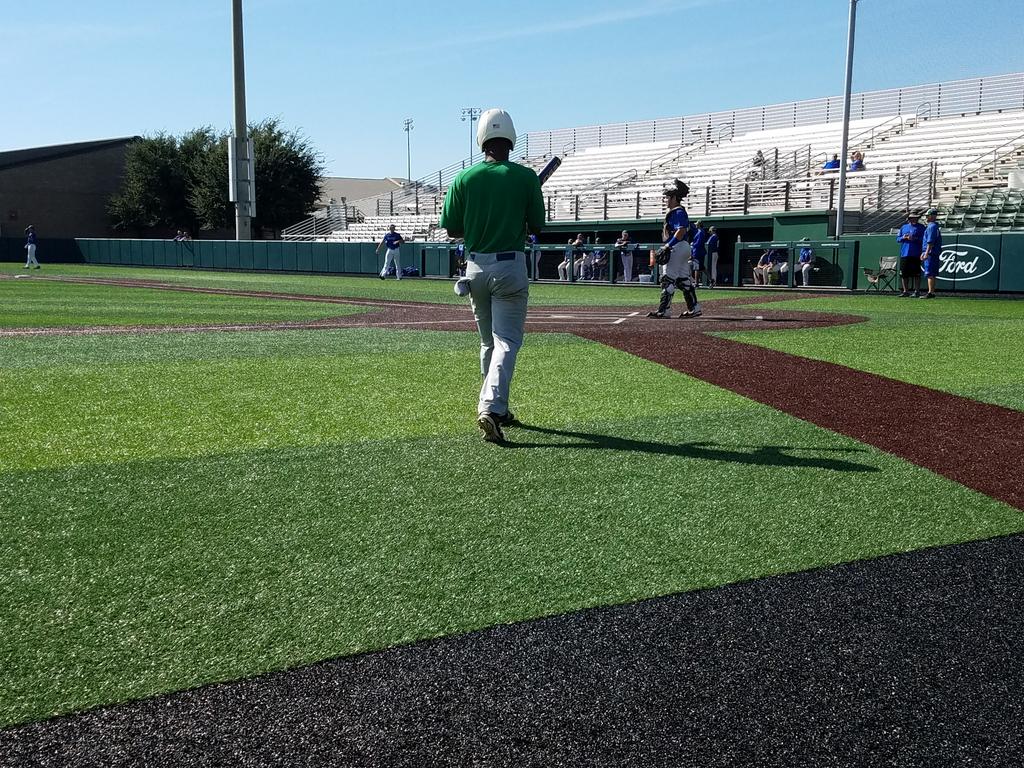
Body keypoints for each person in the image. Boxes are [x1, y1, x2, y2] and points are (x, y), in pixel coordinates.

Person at [438, 107, 545, 443]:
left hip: (474, 269)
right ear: (511, 139)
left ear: (481, 138)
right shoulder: (526, 177)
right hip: (509, 266)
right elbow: (538, 226)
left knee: (488, 343)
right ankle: (489, 404)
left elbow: (452, 227)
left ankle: (498, 407)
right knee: (507, 341)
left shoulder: (464, 178)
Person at [646, 179, 701, 318]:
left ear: (674, 198)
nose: (666, 200)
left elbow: (681, 230)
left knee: (667, 279)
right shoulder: (679, 211)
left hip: (676, 246)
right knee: (683, 280)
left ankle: (664, 310)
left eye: (668, 197)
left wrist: (667, 245)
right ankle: (694, 308)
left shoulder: (677, 212)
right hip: (683, 247)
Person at [896, 210, 925, 297]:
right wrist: (903, 237)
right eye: (912, 218)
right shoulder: (904, 227)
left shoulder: (921, 227)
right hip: (905, 253)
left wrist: (914, 239)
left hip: (916, 253)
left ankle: (917, 291)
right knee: (904, 273)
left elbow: (924, 239)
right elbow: (898, 239)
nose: (914, 220)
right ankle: (905, 291)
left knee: (916, 273)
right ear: (909, 219)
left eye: (916, 218)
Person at [920, 207, 941, 299]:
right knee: (931, 273)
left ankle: (930, 292)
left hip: (931, 253)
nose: (926, 217)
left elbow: (930, 242)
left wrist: (926, 253)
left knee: (930, 273)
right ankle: (931, 291)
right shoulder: (933, 226)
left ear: (932, 216)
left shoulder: (932, 227)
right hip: (933, 252)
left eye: (928, 216)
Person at [690, 221, 707, 287]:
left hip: (698, 252)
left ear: (699, 225)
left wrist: (693, 244)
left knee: (696, 267)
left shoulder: (700, 232)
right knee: (702, 268)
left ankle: (696, 283)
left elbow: (698, 243)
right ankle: (711, 279)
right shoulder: (700, 231)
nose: (696, 225)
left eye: (697, 224)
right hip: (699, 251)